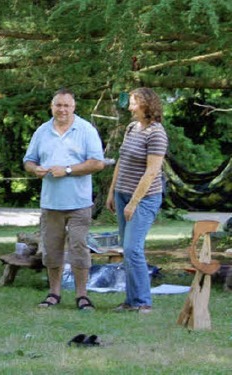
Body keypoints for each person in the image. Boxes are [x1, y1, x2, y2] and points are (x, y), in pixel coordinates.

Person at [23, 88, 105, 310]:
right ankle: (54, 293)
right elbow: (28, 160)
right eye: (58, 105)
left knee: (79, 247)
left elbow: (97, 162)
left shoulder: (85, 130)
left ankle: (82, 296)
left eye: (66, 105)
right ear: (52, 106)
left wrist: (67, 170)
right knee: (51, 250)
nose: (62, 110)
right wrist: (35, 169)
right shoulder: (42, 131)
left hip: (79, 203)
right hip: (51, 204)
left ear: (74, 107)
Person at [106, 87, 168, 314]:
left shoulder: (157, 133)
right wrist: (112, 192)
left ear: (146, 105)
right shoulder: (132, 128)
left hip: (144, 199)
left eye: (133, 103)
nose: (130, 107)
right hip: (123, 194)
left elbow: (152, 172)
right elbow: (121, 162)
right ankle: (131, 301)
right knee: (127, 248)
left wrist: (133, 202)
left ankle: (143, 302)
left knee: (133, 248)